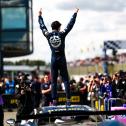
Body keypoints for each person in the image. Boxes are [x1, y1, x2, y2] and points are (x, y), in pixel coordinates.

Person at [38, 8, 79, 106]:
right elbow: (70, 25)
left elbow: (42, 26)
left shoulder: (48, 35)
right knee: (65, 80)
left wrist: (40, 16)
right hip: (62, 59)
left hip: (53, 59)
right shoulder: (62, 34)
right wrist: (74, 14)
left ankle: (54, 101)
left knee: (53, 81)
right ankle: (68, 100)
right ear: (59, 27)